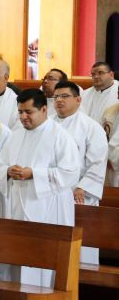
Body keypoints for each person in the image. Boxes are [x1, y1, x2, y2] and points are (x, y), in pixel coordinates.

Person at [0, 89, 80, 288]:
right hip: (17, 206)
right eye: (20, 112)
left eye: (29, 112)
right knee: (17, 257)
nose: (23, 117)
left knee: (43, 263)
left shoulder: (61, 136)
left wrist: (34, 174)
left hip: (48, 208)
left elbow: (70, 173)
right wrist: (8, 171)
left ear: (44, 109)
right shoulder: (15, 136)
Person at [52, 81, 108, 264]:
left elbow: (98, 161)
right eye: (56, 97)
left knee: (81, 248)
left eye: (64, 96)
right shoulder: (47, 125)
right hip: (52, 194)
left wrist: (83, 187)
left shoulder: (90, 127)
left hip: (79, 194)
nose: (59, 100)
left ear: (78, 99)